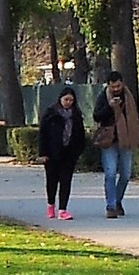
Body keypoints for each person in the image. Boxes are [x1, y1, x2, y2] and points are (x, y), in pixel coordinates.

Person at [91, 68, 139, 216]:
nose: (116, 89)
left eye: (118, 86)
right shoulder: (103, 97)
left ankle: (117, 200)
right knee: (110, 173)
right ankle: (111, 206)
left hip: (126, 140)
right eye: (113, 86)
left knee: (126, 174)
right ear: (108, 85)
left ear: (122, 84)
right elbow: (97, 116)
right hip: (109, 141)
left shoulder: (129, 97)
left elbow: (137, 116)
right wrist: (110, 107)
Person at [38, 85, 85, 219]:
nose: (68, 102)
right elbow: (43, 134)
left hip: (69, 154)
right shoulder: (50, 114)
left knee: (66, 181)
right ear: (60, 99)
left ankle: (63, 209)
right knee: (52, 181)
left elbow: (80, 135)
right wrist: (43, 153)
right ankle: (50, 205)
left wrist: (77, 152)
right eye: (66, 100)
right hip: (52, 154)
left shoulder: (76, 115)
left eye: (71, 100)